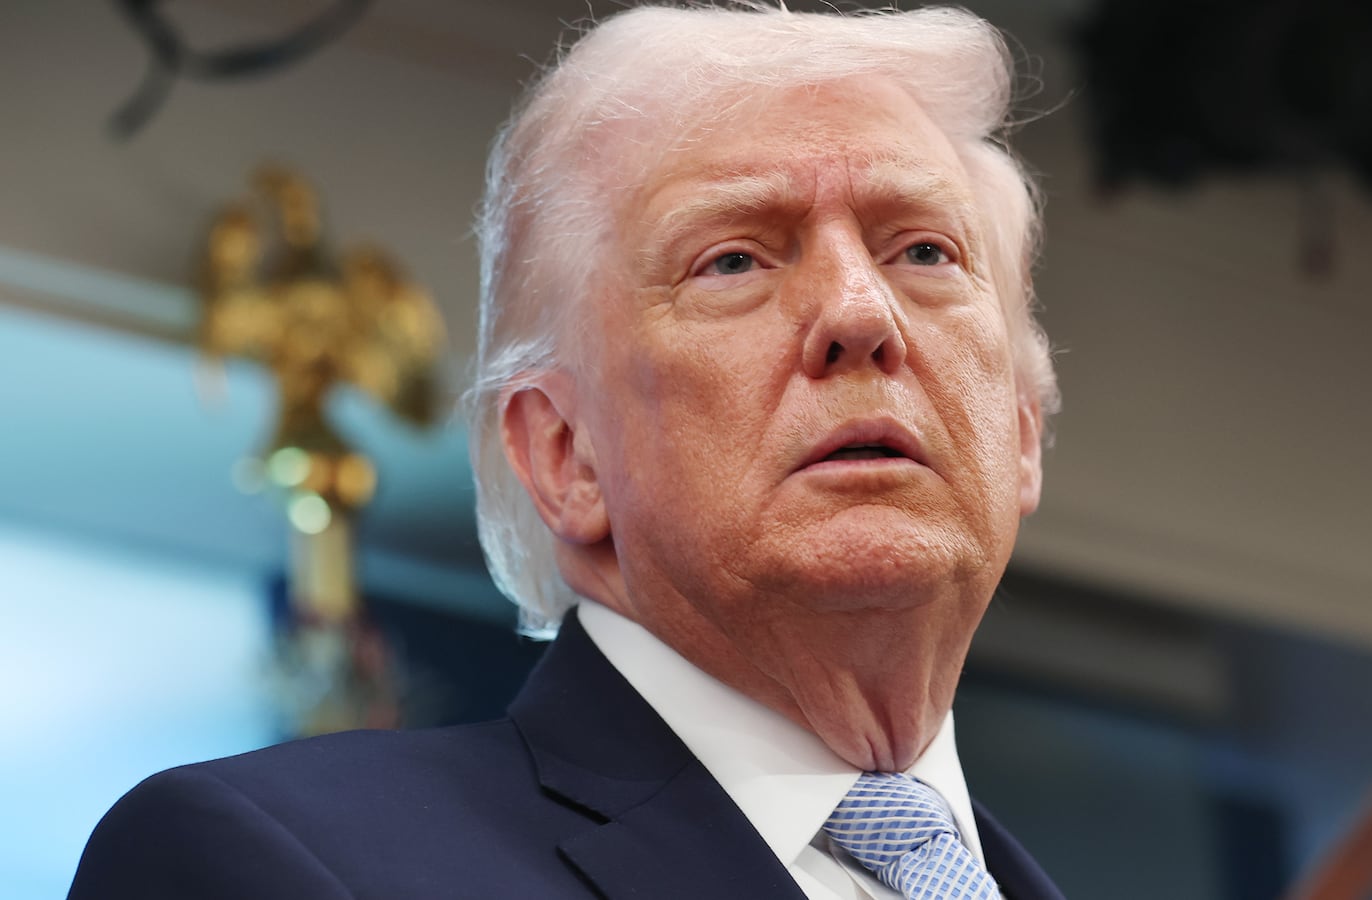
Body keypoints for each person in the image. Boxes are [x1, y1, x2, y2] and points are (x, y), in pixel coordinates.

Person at [68, 3, 1063, 898]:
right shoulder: (265, 862)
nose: (858, 311)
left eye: (924, 251)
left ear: (1020, 427)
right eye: (732, 259)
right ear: (563, 454)